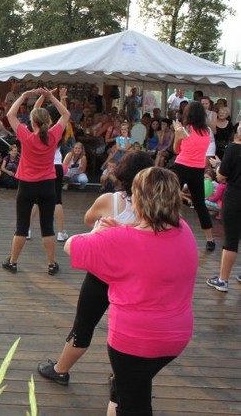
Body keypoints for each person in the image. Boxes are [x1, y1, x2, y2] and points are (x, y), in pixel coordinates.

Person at [64, 167, 196, 416]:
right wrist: (120, 232)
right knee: (128, 388)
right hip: (176, 336)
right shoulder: (184, 229)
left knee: (134, 406)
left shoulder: (121, 240)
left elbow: (72, 246)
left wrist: (99, 233)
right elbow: (148, 239)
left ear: (138, 200)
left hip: (135, 342)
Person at [38, 151, 154, 386]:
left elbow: (89, 219)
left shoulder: (110, 200)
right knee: (128, 330)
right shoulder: (155, 207)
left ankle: (61, 370)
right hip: (136, 277)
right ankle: (120, 375)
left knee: (84, 323)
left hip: (103, 274)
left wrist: (111, 226)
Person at [1, 88, 69, 275]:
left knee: (21, 227)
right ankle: (51, 264)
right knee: (47, 227)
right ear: (48, 122)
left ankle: (13, 262)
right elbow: (66, 114)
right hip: (47, 185)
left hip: (27, 185)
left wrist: (24, 96)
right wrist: (51, 97)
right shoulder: (54, 135)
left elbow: (10, 114)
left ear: (32, 123)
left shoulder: (26, 136)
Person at [172, 102, 216, 250]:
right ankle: (210, 239)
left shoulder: (184, 130)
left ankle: (170, 232)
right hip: (198, 169)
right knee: (200, 204)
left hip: (182, 166)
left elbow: (176, 150)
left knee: (171, 199)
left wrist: (177, 132)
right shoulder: (206, 131)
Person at [207, 124, 241, 292]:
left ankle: (223, 280)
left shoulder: (234, 149)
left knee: (231, 240)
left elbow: (221, 177)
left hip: (235, 196)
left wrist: (218, 165)